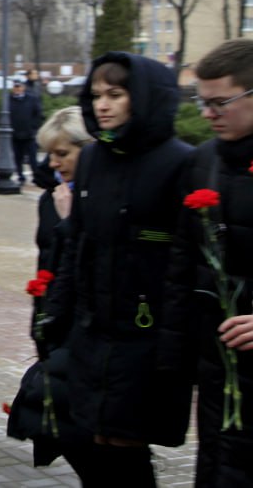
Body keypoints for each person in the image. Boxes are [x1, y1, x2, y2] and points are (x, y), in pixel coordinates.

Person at [40, 52, 194, 486]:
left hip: (145, 337)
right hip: (93, 332)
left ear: (142, 97)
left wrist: (173, 346)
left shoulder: (180, 162)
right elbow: (78, 245)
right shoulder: (93, 158)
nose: (103, 105)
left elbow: (185, 260)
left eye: (115, 94)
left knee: (126, 446)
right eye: (96, 95)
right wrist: (56, 315)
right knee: (94, 442)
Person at [160, 38, 253, 486]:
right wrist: (173, 358)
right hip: (217, 360)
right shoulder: (201, 162)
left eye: (220, 103)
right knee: (218, 463)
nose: (207, 114)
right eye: (202, 102)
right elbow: (181, 262)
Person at [6, 106, 95, 467]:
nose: (54, 163)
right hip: (54, 319)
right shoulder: (52, 198)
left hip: (87, 325)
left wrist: (71, 220)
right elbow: (47, 260)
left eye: (63, 153)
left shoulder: (101, 198)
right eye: (50, 154)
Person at [10, 76, 44, 185]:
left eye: (19, 86)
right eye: (15, 87)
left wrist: (34, 128)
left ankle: (37, 177)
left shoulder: (32, 99)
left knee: (33, 158)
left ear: (23, 87)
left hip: (29, 135)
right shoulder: (9, 100)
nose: (17, 89)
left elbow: (38, 114)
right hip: (15, 135)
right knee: (18, 158)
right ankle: (21, 176)